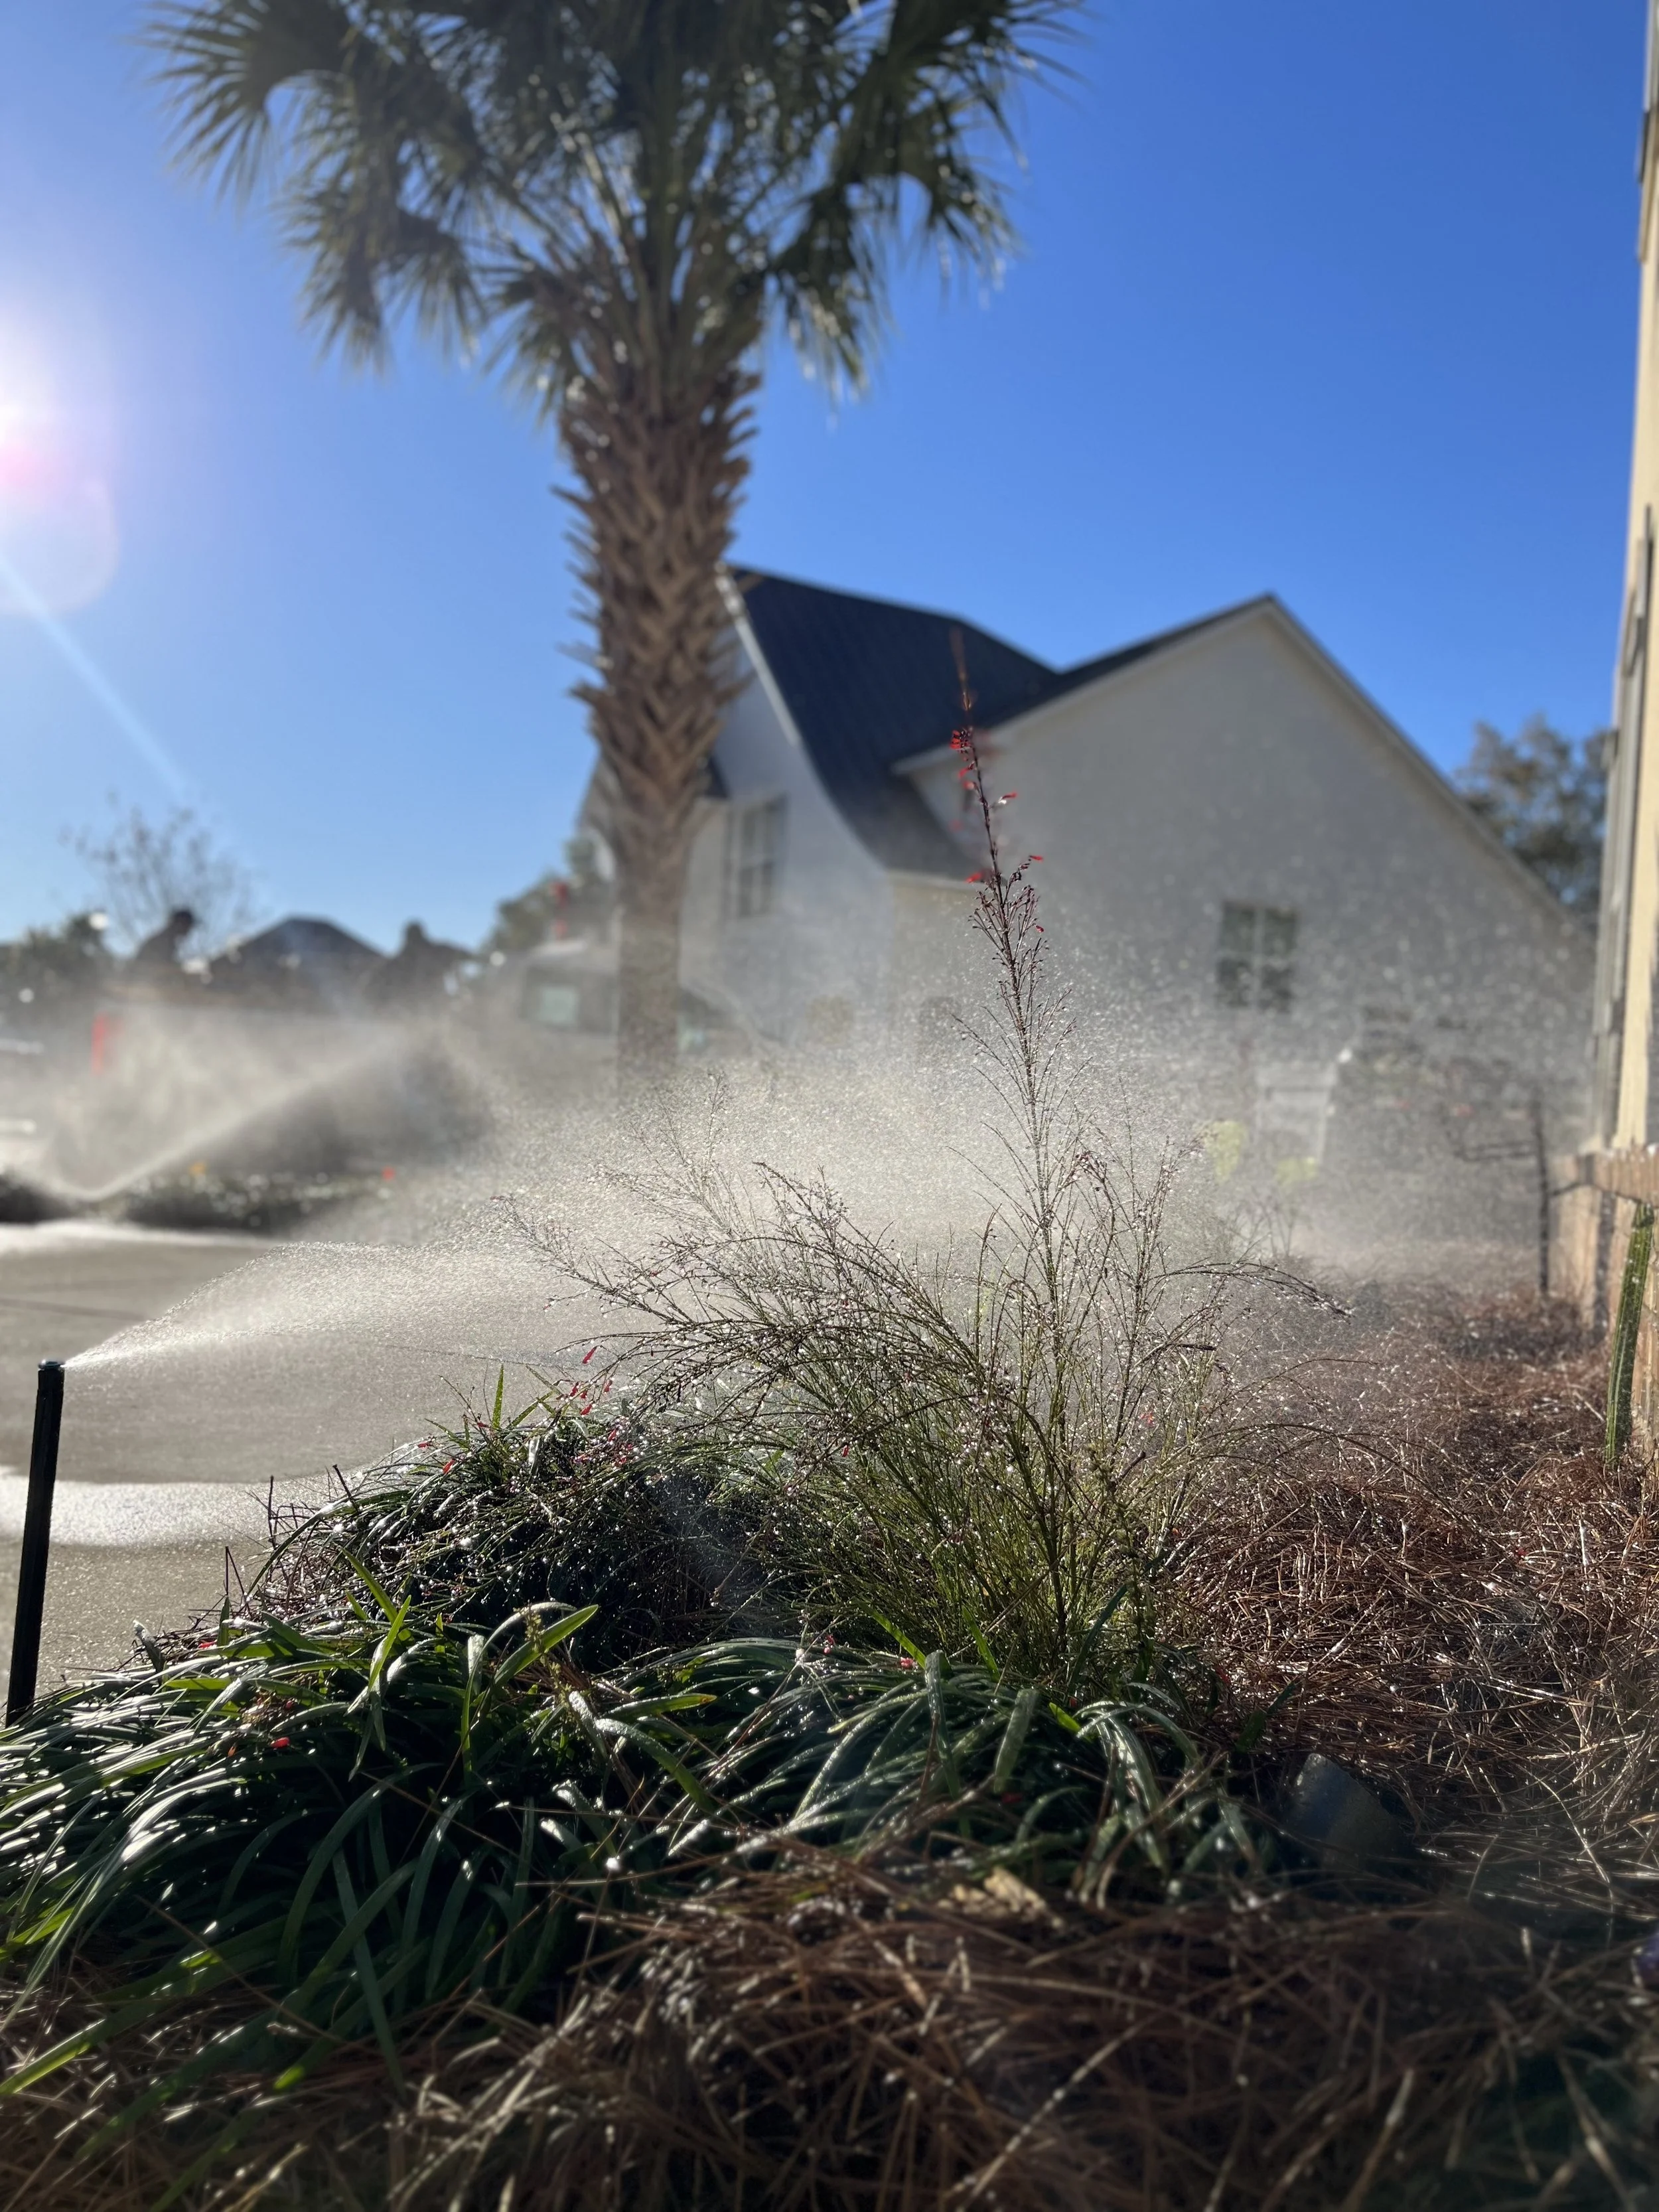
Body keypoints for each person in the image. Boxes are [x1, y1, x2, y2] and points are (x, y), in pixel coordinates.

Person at [366, 921, 471, 1013]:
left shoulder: (397, 963)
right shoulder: (397, 964)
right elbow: (370, 989)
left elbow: (464, 956)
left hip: (434, 1010)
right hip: (414, 1014)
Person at [130, 907, 196, 969]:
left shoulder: (167, 940)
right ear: (180, 924)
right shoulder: (163, 942)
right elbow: (160, 968)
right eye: (188, 925)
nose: (189, 929)